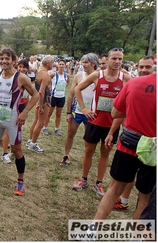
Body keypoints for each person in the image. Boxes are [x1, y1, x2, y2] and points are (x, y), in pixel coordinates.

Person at [93, 55, 156, 221]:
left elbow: (115, 113)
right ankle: (136, 238)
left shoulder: (133, 83)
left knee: (114, 188)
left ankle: (92, 231)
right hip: (153, 150)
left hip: (129, 143)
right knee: (145, 198)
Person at [0, 48, 39, 196]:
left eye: (7, 58)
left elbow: (36, 95)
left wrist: (25, 112)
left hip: (13, 119)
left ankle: (20, 181)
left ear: (14, 61)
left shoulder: (21, 78)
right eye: (2, 58)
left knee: (17, 150)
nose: (4, 61)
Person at [72, 47, 131, 197]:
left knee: (105, 154)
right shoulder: (97, 75)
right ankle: (83, 178)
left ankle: (99, 183)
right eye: (114, 58)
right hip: (94, 121)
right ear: (107, 59)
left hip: (112, 125)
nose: (117, 61)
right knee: (88, 151)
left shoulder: (125, 78)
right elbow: (77, 89)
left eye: (120, 59)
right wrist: (84, 109)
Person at [59, 53, 98, 166]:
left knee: (88, 139)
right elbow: (71, 95)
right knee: (70, 134)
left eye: (86, 62)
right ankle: (66, 155)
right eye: (83, 62)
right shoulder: (78, 76)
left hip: (91, 113)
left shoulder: (99, 76)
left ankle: (87, 158)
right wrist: (68, 112)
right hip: (77, 111)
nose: (83, 64)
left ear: (93, 63)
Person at [26, 55, 55, 153]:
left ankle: (30, 140)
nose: (53, 64)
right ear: (48, 63)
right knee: (40, 123)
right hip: (44, 100)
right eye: (52, 62)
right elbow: (42, 91)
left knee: (36, 120)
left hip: (38, 100)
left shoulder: (39, 71)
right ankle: (33, 144)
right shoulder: (45, 74)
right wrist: (42, 105)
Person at [42, 59, 69, 136]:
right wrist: (50, 88)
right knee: (49, 113)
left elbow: (68, 82)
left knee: (59, 114)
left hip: (61, 97)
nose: (61, 66)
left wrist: (63, 88)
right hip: (53, 96)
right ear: (58, 65)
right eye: (60, 64)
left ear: (65, 66)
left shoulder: (66, 75)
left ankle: (57, 128)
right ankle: (45, 127)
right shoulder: (54, 74)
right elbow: (47, 80)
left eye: (62, 64)